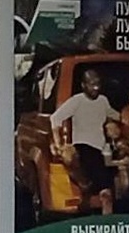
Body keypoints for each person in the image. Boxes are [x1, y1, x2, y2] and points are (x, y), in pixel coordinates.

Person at [49, 67, 119, 212]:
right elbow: (55, 118)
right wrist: (58, 143)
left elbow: (112, 114)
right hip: (84, 147)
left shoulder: (103, 100)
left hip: (102, 148)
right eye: (92, 84)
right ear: (83, 85)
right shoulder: (77, 101)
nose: (95, 87)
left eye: (98, 84)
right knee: (105, 190)